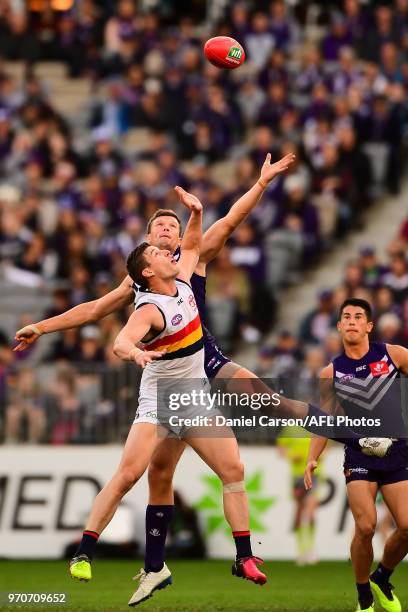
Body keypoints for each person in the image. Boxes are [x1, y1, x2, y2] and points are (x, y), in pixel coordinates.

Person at [14, 156, 390, 605]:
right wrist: (43, 326)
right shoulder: (141, 288)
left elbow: (232, 218)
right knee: (158, 472)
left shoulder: (192, 257)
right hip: (164, 375)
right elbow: (94, 312)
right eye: (161, 227)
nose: (169, 230)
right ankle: (153, 566)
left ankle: (351, 436)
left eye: (174, 225)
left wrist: (260, 183)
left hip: (203, 358)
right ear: (149, 244)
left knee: (268, 403)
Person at [69, 188, 268, 606]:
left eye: (169, 243)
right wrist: (135, 352)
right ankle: (85, 550)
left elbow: (198, 240)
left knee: (232, 468)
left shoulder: (183, 273)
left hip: (193, 397)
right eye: (157, 251)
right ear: (146, 271)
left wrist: (196, 211)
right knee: (130, 474)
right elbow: (120, 341)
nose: (167, 251)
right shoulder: (147, 308)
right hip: (158, 400)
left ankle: (244, 557)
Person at [304, 298, 408, 612]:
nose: (351, 320)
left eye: (358, 316)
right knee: (365, 526)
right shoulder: (331, 372)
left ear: (369, 326)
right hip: (360, 455)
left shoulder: (393, 355)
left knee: (406, 526)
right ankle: (363, 593)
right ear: (338, 326)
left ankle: (382, 576)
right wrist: (312, 458)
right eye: (346, 316)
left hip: (398, 449)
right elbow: (323, 417)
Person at [277, 426, 321, 565]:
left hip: (314, 475)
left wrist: (316, 457)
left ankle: (311, 549)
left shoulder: (316, 426)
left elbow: (326, 445)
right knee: (299, 511)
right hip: (297, 476)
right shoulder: (291, 428)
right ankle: (301, 551)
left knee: (311, 512)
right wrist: (292, 456)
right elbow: (281, 449)